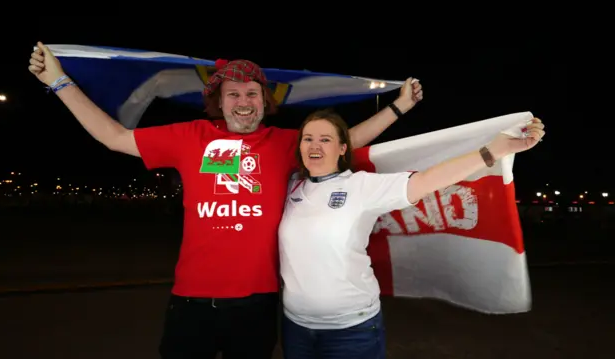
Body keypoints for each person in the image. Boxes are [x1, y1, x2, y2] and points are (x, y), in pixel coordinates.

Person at [27, 42, 424, 358]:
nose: (243, 101)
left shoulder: (284, 143)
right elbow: (114, 137)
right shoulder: (189, 137)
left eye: (253, 92)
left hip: (258, 305)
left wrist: (398, 106)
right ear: (219, 100)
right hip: (191, 303)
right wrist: (61, 82)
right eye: (233, 93)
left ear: (265, 101)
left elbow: (345, 140)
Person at [278, 109, 545, 358]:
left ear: (343, 148)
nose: (314, 145)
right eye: (308, 139)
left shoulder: (362, 186)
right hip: (295, 328)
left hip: (351, 330)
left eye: (325, 139)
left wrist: (493, 151)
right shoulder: (290, 187)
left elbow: (427, 180)